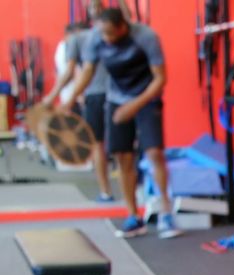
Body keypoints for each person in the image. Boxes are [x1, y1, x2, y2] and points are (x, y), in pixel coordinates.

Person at [65, 8, 179, 239]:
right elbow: (87, 71)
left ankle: (167, 213)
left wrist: (134, 106)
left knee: (154, 153)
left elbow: (160, 78)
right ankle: (133, 216)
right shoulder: (97, 37)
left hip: (146, 97)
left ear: (122, 27)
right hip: (116, 99)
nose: (106, 38)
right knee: (122, 157)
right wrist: (68, 100)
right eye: (103, 33)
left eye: (110, 33)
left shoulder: (146, 37)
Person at [44, 4, 119, 203]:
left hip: (108, 95)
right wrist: (59, 97)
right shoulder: (87, 37)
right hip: (104, 95)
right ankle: (109, 191)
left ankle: (109, 191)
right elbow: (72, 72)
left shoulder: (106, 35)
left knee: (107, 146)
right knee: (107, 145)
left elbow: (69, 73)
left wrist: (55, 97)